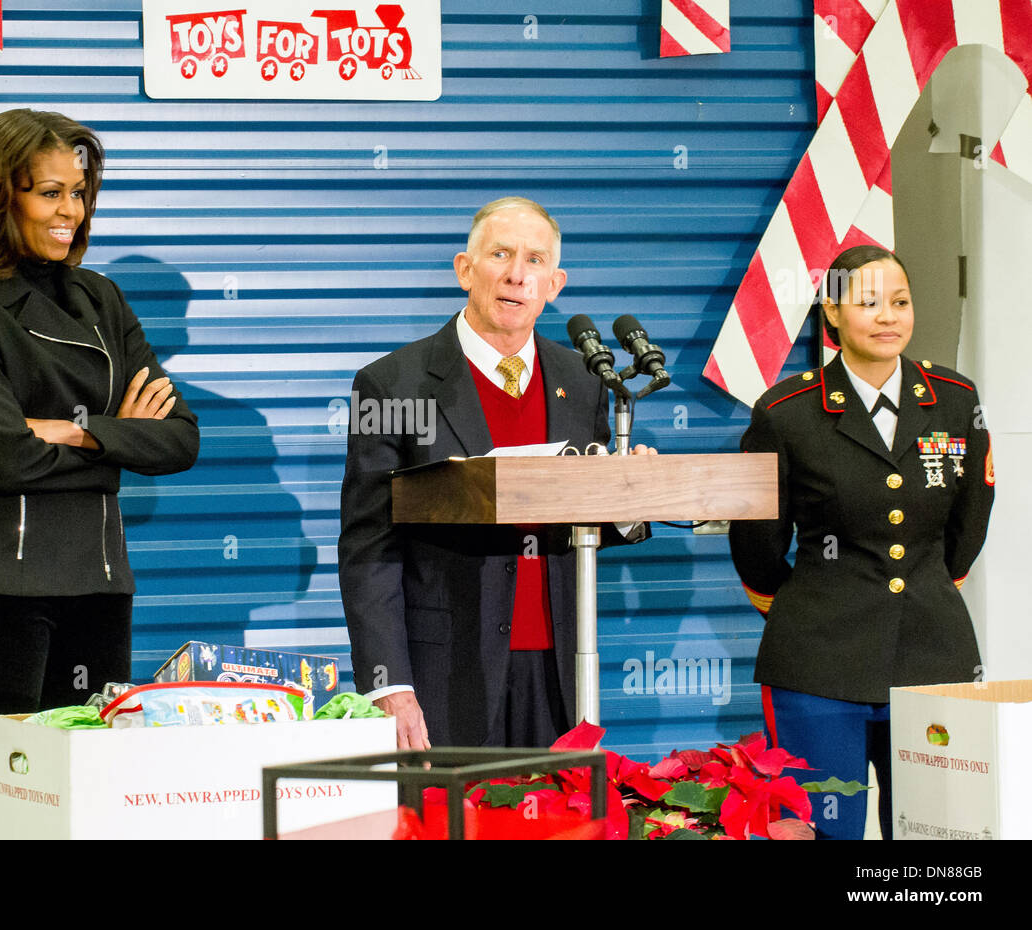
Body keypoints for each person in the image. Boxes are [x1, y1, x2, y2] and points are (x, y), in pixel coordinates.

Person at [0, 109, 200, 839]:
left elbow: (179, 441)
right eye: (48, 193)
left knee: (81, 805)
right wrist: (119, 436)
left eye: (80, 192)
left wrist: (78, 430)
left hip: (97, 584)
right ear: (1, 197)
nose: (71, 212)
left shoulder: (102, 298)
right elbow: (4, 457)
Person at [338, 197, 654, 750]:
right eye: (500, 254)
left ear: (554, 284)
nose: (516, 274)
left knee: (562, 829)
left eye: (534, 261)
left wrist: (629, 504)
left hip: (562, 671)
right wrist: (390, 685)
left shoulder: (583, 380)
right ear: (465, 269)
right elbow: (369, 547)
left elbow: (587, 524)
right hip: (444, 672)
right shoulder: (393, 385)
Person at [729, 245, 994, 840]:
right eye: (868, 302)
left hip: (934, 656)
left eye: (899, 302)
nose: (888, 316)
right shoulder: (786, 412)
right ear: (831, 311)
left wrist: (931, 582)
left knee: (934, 836)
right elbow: (757, 544)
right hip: (818, 662)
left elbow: (971, 517)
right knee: (825, 832)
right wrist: (798, 602)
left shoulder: (954, 399)